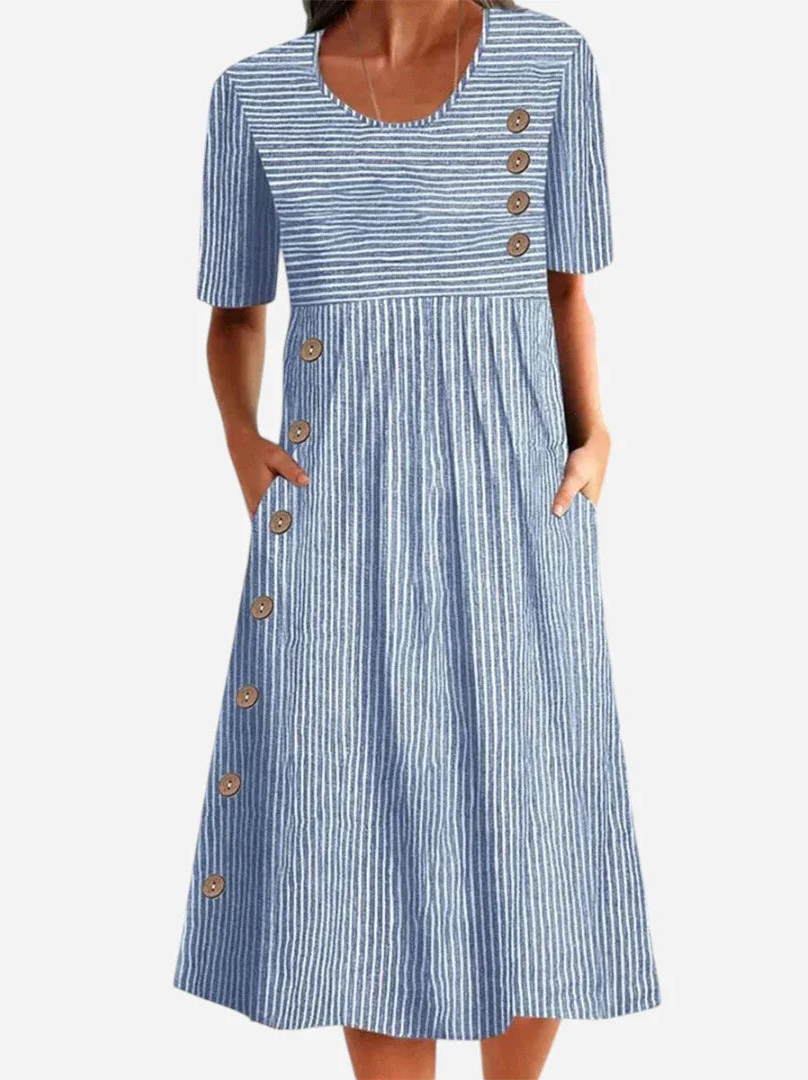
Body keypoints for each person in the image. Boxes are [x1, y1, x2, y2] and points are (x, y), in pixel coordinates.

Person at [176, 2, 660, 1077]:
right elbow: (236, 315)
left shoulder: (551, 63)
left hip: (519, 505)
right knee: (361, 819)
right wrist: (241, 441)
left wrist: (594, 437)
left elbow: (565, 287)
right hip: (337, 514)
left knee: (530, 814)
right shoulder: (255, 95)